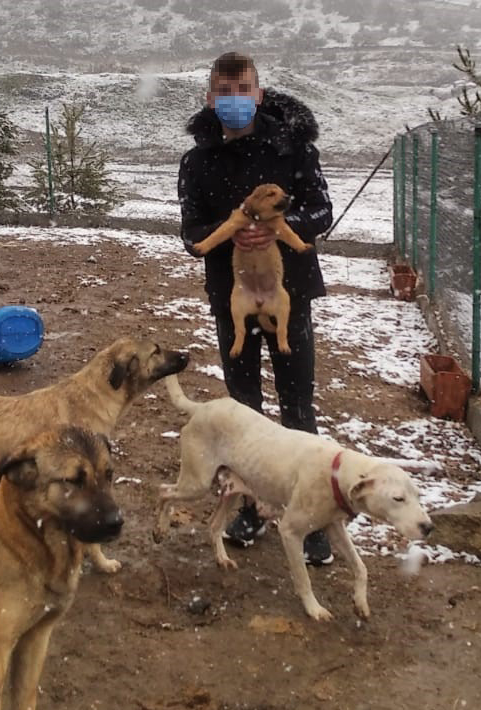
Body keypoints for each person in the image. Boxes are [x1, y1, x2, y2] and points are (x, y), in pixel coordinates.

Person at [178, 50, 335, 566]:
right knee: (243, 409)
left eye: (242, 90)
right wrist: (231, 231)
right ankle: (247, 507)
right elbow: (193, 233)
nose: (233, 101)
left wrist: (279, 230)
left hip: (292, 293)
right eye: (224, 93)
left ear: (259, 94)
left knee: (298, 408)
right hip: (233, 296)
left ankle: (309, 517)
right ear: (210, 98)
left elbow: (319, 210)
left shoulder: (293, 150)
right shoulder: (197, 161)